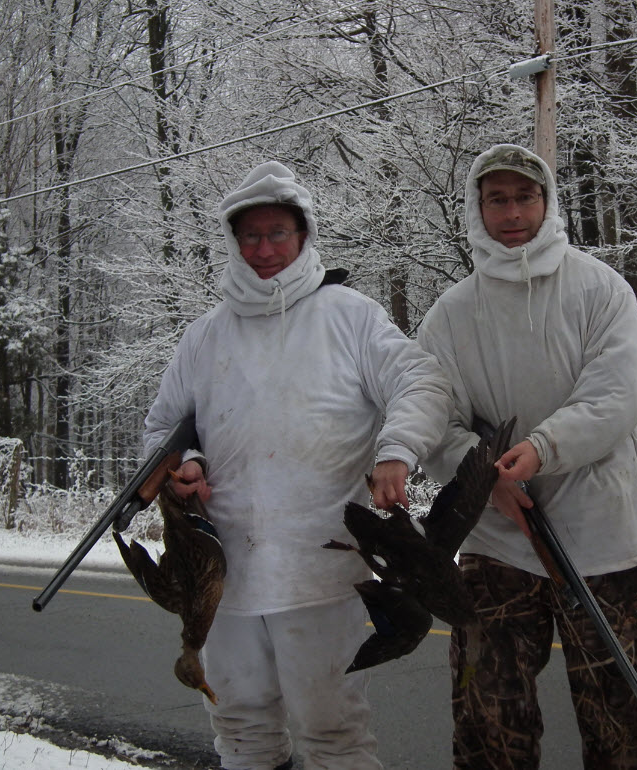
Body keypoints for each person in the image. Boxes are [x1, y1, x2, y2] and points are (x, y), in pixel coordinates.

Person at [144, 160, 452, 770]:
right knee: (240, 729)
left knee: (331, 732)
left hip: (323, 571)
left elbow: (422, 382)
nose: (265, 249)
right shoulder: (206, 336)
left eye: (278, 233)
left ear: (304, 235)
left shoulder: (348, 315)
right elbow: (162, 431)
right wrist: (185, 465)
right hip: (224, 578)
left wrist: (396, 450)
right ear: (235, 243)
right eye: (251, 236)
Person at [417, 144, 637, 769]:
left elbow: (616, 396)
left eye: (525, 197)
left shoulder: (600, 290)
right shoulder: (451, 316)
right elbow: (433, 418)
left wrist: (539, 450)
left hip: (605, 536)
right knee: (489, 721)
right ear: (477, 209)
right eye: (497, 199)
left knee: (626, 722)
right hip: (497, 539)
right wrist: (485, 482)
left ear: (547, 202)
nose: (512, 212)